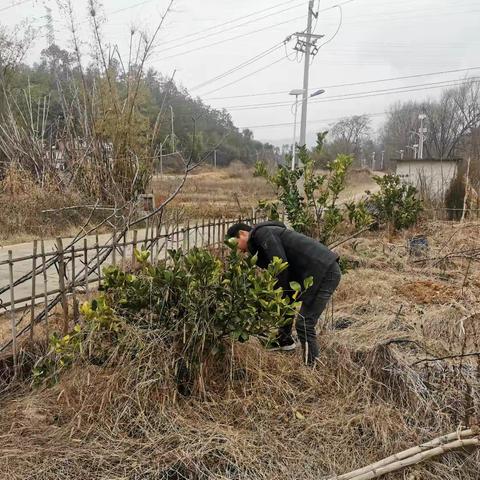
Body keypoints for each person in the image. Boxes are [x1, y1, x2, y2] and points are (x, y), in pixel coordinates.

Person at [226, 220, 341, 366]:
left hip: (324, 271)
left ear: (242, 234)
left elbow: (281, 266)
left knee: (305, 324)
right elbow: (285, 281)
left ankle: (312, 368)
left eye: (234, 244)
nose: (237, 251)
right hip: (319, 272)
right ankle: (285, 340)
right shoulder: (262, 242)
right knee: (302, 320)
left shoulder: (262, 233)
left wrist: (274, 297)